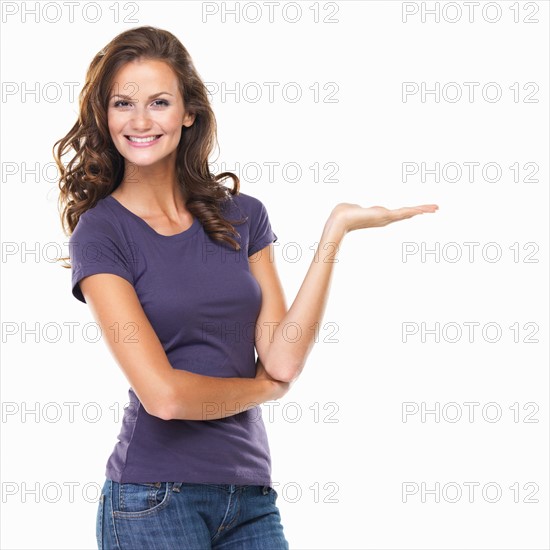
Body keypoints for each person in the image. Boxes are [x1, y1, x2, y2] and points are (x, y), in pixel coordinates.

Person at [53, 26, 438, 550]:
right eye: (123, 103)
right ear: (105, 115)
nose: (140, 121)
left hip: (250, 495)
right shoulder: (102, 233)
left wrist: (335, 232)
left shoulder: (242, 216)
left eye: (159, 102)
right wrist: (262, 392)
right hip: (152, 500)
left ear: (188, 112)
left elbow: (281, 360)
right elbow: (163, 397)